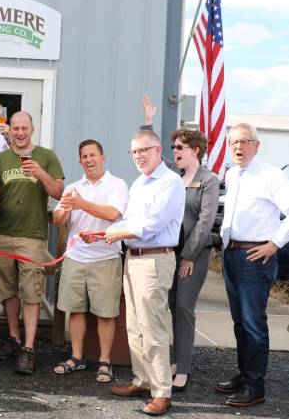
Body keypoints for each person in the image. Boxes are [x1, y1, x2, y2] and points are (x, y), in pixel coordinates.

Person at [81, 130, 184, 416]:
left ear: (158, 150)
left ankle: (162, 392)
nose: (138, 156)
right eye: (134, 152)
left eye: (143, 150)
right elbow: (128, 221)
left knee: (154, 328)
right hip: (134, 259)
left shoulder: (170, 182)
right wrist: (102, 234)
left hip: (154, 261)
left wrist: (114, 234)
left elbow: (150, 225)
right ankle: (143, 380)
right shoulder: (139, 183)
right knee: (135, 327)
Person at [217, 123, 289, 407]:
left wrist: (274, 244)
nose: (238, 147)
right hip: (231, 254)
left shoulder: (271, 175)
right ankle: (244, 374)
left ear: (257, 146)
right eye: (234, 141)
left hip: (254, 258)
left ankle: (255, 386)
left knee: (253, 323)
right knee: (239, 323)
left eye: (245, 141)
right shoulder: (233, 174)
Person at [0, 111, 64, 375]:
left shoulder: (46, 155)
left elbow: (58, 192)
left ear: (32, 129)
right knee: (7, 290)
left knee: (32, 292)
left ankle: (29, 349)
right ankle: (14, 338)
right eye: (16, 128)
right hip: (1, 235)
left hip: (31, 236)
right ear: (10, 129)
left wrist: (40, 172)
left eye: (24, 128)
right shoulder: (1, 159)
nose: (20, 133)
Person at [51, 139, 128, 384]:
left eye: (93, 155)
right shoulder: (73, 187)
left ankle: (105, 361)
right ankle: (76, 357)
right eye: (84, 156)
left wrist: (81, 203)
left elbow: (112, 214)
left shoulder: (117, 185)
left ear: (102, 157)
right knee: (76, 310)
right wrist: (65, 207)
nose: (89, 160)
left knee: (106, 313)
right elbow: (57, 220)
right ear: (80, 160)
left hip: (105, 257)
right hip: (76, 257)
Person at [168, 129, 219, 392]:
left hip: (194, 255)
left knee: (185, 308)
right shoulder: (175, 178)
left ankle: (184, 369)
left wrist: (188, 256)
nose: (174, 151)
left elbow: (205, 221)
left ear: (194, 150)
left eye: (179, 147)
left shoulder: (208, 180)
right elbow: (151, 154)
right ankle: (178, 360)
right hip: (170, 253)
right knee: (174, 307)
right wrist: (147, 124)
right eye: (174, 147)